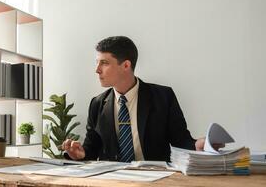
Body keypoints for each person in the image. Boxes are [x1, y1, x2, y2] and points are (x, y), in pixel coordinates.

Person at [62, 36, 207, 162]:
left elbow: (181, 140)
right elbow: (91, 148)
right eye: (97, 62)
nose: (97, 69)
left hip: (155, 180)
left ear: (126, 65)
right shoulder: (97, 103)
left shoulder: (163, 97)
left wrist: (197, 145)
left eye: (104, 63)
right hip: (113, 181)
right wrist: (80, 154)